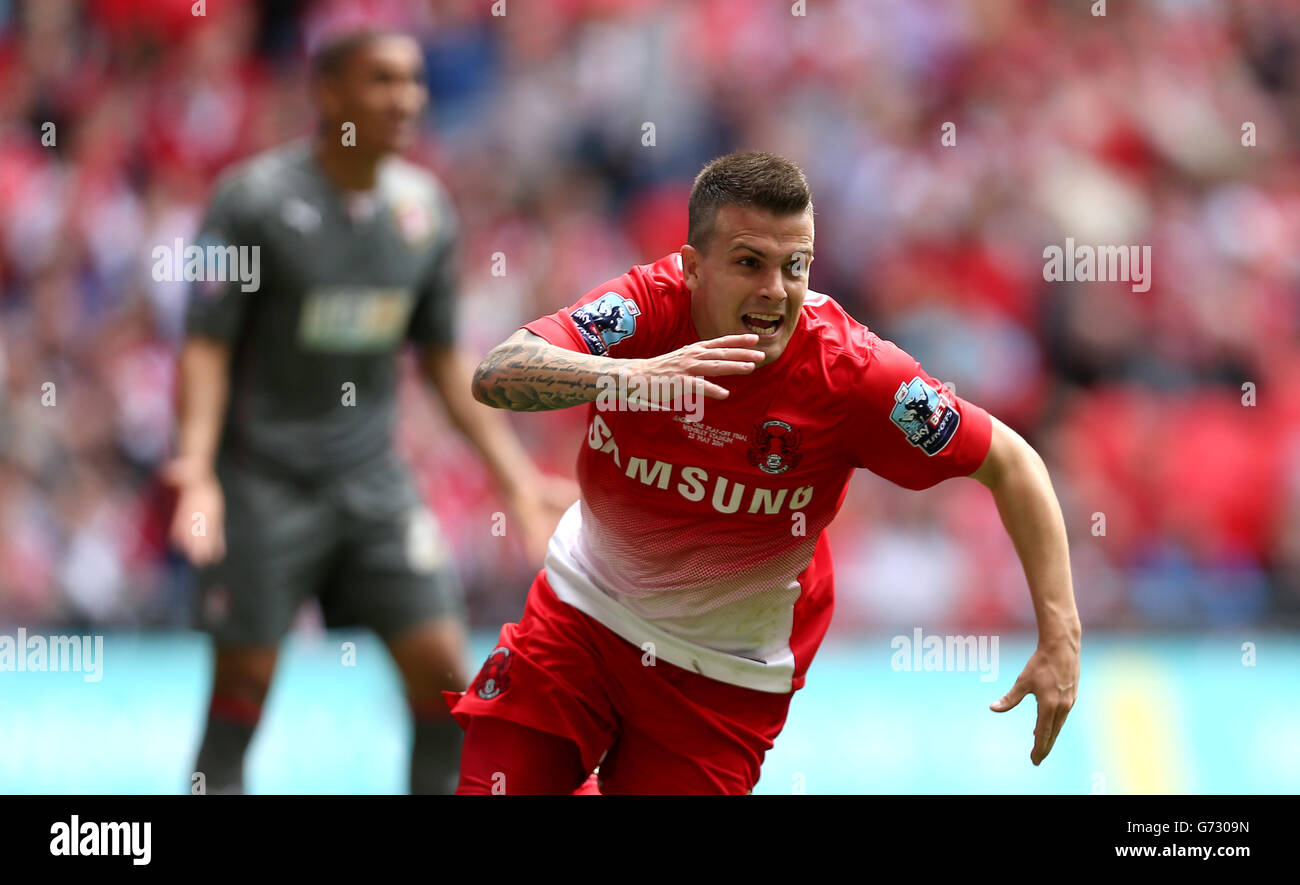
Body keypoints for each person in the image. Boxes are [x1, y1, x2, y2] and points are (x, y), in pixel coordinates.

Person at [448, 151, 1082, 795]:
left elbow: (1013, 463)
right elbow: (497, 372)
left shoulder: (856, 374)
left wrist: (1061, 635)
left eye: (795, 266)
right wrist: (630, 374)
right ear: (693, 269)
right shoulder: (642, 309)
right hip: (580, 618)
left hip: (720, 681)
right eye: (750, 263)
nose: (776, 289)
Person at [164, 29, 570, 795]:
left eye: (414, 81)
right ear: (329, 94)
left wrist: (516, 479)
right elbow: (207, 348)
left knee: (447, 674)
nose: (406, 98)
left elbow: (446, 363)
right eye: (382, 80)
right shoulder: (251, 202)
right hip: (262, 477)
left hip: (370, 479)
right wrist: (197, 469)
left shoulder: (423, 213)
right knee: (243, 685)